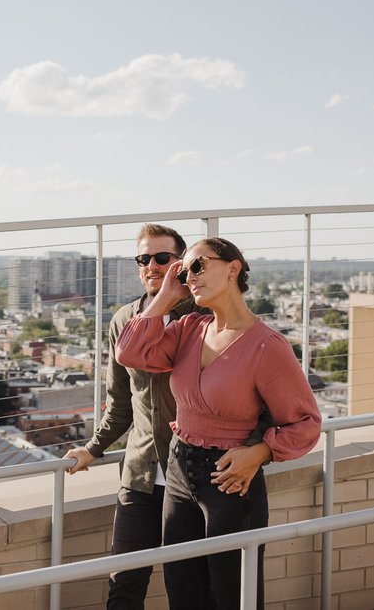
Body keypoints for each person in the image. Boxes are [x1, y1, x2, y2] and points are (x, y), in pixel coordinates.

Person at [63, 223, 267, 610]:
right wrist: (93, 448)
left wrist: (254, 452)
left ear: (183, 263)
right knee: (124, 584)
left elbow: (256, 399)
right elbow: (120, 401)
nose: (152, 267)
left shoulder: (204, 316)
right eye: (143, 259)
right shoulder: (126, 320)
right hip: (141, 474)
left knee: (203, 587)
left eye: (162, 258)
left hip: (202, 474)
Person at [114, 237, 321, 610]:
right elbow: (130, 351)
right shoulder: (189, 329)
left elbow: (306, 423)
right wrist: (166, 295)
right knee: (183, 594)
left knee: (232, 596)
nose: (188, 276)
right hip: (178, 472)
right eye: (183, 270)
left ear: (232, 268)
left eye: (197, 266)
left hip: (229, 479)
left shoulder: (266, 346)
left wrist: (260, 452)